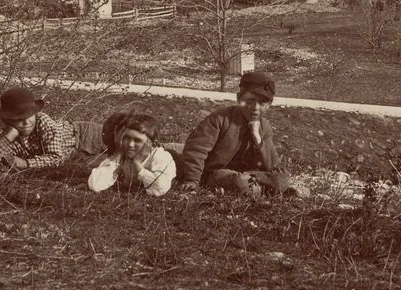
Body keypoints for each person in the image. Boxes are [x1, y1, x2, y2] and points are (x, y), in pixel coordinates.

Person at [178, 71, 308, 198]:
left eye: (262, 103)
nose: (255, 108)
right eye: (250, 101)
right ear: (239, 99)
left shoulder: (264, 126)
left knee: (281, 179)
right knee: (240, 182)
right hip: (218, 174)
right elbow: (196, 149)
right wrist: (192, 180)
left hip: (249, 175)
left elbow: (272, 165)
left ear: (269, 105)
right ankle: (267, 189)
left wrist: (258, 139)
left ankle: (259, 188)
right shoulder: (220, 119)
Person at [0, 87, 108, 170]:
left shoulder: (43, 121)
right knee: (111, 163)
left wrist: (26, 163)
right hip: (76, 156)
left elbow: (56, 158)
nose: (26, 122)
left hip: (86, 135)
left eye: (29, 116)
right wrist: (7, 138)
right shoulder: (11, 136)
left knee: (121, 142)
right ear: (8, 120)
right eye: (19, 119)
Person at [87, 112, 177, 197]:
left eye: (137, 140)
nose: (130, 144)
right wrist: (118, 153)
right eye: (127, 138)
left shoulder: (162, 157)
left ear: (152, 145)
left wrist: (137, 163)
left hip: (178, 157)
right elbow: (95, 185)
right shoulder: (123, 153)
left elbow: (159, 190)